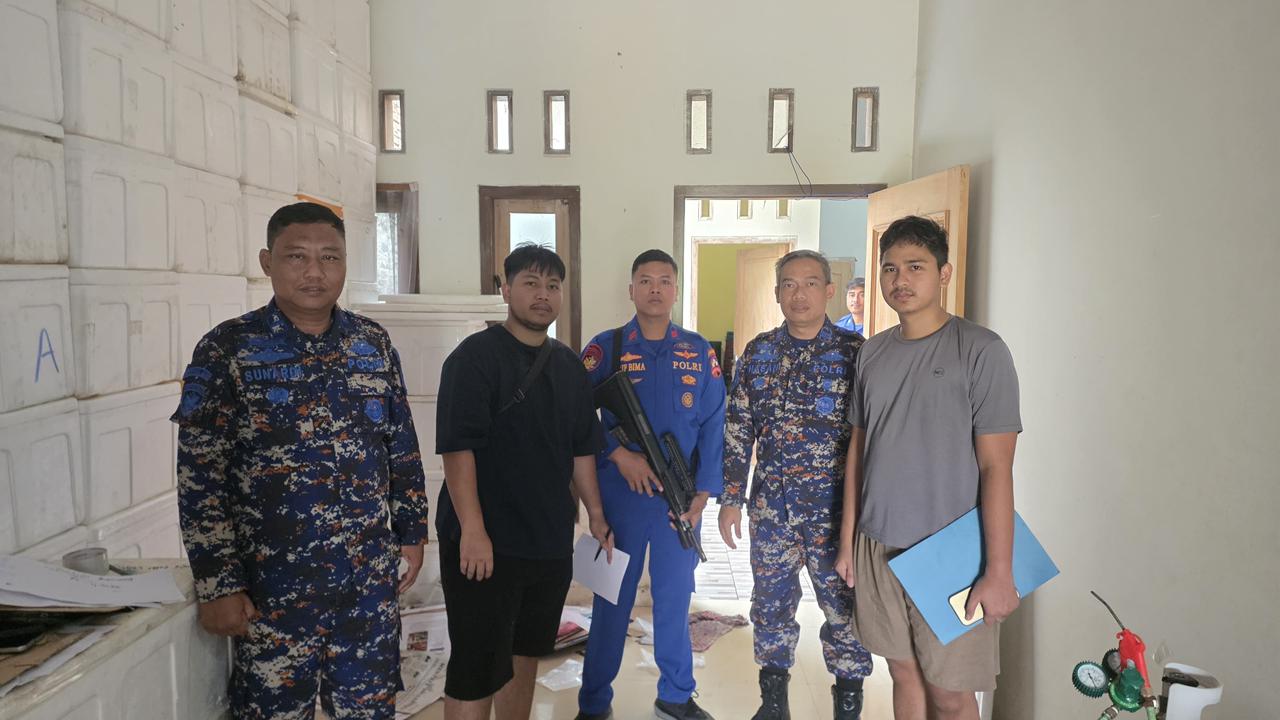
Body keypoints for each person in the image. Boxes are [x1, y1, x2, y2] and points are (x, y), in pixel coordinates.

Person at [173, 202, 429, 719]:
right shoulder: (228, 349)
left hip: (365, 583)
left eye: (330, 257)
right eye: (297, 256)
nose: (315, 271)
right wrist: (218, 583)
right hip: (274, 590)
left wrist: (412, 530)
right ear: (267, 262)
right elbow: (201, 476)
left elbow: (400, 444)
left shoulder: (372, 344)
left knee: (370, 709)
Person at [836, 216, 1022, 720]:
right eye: (890, 268)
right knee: (903, 674)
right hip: (877, 545)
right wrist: (849, 540)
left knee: (950, 693)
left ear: (944, 273)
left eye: (915, 266)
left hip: (951, 550)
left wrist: (999, 571)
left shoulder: (981, 350)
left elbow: (997, 467)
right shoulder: (872, 353)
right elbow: (859, 449)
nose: (900, 279)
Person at [435, 244, 614, 720]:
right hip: (486, 544)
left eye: (553, 286)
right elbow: (457, 450)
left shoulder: (569, 366)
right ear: (505, 289)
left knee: (526, 650)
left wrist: (596, 515)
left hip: (547, 542)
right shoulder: (474, 359)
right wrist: (473, 529)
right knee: (475, 664)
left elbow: (581, 449)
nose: (543, 295)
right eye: (531, 283)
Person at [719, 249, 873, 720]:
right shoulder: (758, 352)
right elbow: (738, 428)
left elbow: (874, 436)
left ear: (829, 290)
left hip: (836, 516)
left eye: (809, 283)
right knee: (770, 609)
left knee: (845, 613)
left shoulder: (856, 354)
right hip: (773, 513)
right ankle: (773, 705)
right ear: (777, 293)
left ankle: (848, 706)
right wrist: (731, 498)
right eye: (788, 284)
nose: (798, 294)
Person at [576, 250, 726, 720]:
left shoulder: (698, 351)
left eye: (664, 280)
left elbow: (715, 424)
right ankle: (594, 702)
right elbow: (574, 410)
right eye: (645, 280)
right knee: (610, 602)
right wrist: (617, 454)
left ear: (676, 290)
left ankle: (675, 697)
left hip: (678, 502)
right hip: (619, 498)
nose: (655, 289)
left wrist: (704, 494)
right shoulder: (607, 347)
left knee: (674, 601)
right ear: (631, 290)